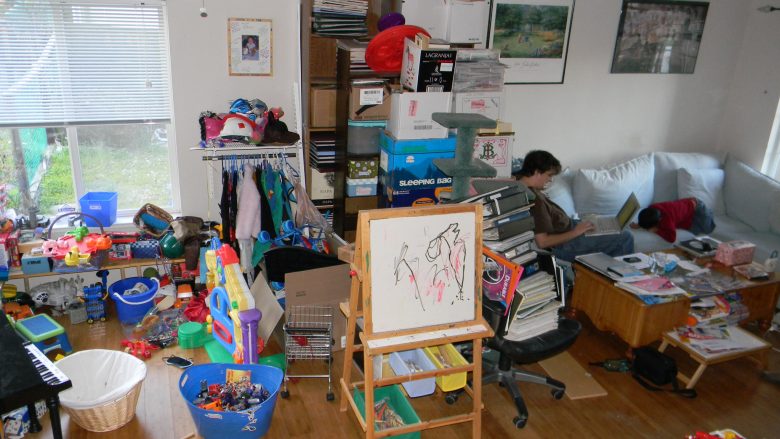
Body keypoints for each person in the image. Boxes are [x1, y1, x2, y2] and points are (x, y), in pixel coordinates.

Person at [514, 150, 634, 263]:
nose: (550, 180)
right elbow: (543, 242)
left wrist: (580, 226)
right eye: (549, 175)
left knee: (616, 226)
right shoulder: (533, 200)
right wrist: (577, 231)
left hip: (572, 227)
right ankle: (622, 275)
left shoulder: (522, 184)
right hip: (567, 243)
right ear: (536, 172)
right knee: (625, 237)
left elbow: (513, 176)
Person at [631, 197, 715, 243]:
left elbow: (672, 238)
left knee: (708, 229)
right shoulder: (652, 208)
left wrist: (657, 231)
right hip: (685, 207)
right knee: (695, 230)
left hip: (697, 208)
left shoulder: (667, 220)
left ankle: (709, 212)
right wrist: (640, 224)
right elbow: (648, 217)